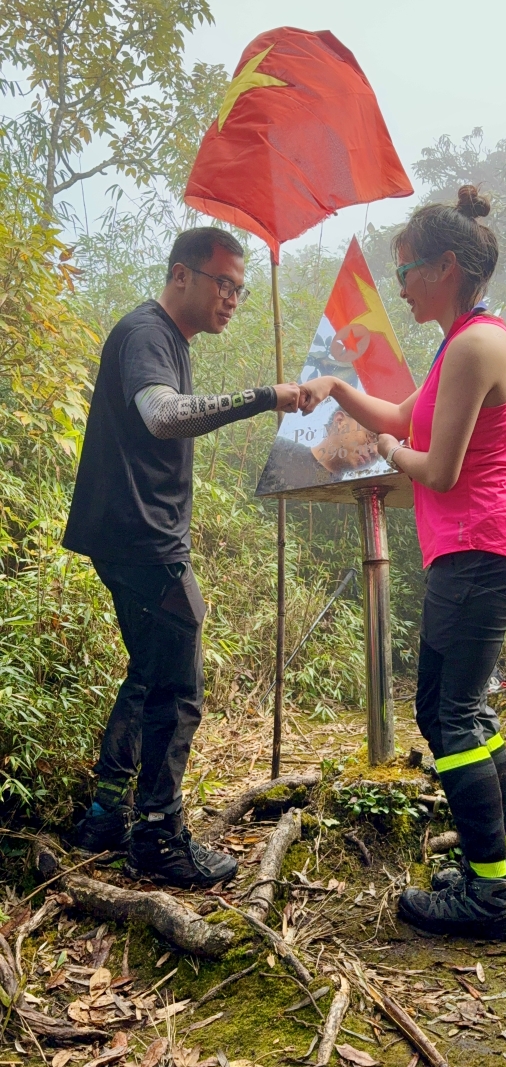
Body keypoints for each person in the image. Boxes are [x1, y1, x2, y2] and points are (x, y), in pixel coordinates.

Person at [299, 186, 506, 941]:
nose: (398, 283)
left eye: (405, 268)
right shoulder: (457, 344)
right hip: (469, 553)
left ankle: (489, 896)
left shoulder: (477, 343)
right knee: (448, 712)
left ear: (445, 266)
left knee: (453, 715)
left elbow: (432, 465)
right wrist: (341, 388)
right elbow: (405, 413)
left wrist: (386, 452)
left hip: (480, 549)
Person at [63, 227, 299, 888]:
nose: (232, 298)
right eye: (223, 282)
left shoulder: (169, 339)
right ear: (181, 276)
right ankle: (159, 837)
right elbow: (162, 415)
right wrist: (263, 396)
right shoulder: (148, 334)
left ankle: (108, 815)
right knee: (178, 687)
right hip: (142, 538)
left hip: (130, 534)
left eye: (240, 289)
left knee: (148, 674)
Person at [257, 404, 379, 493]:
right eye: (370, 436)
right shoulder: (278, 451)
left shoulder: (351, 496)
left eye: (382, 450)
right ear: (340, 421)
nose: (375, 450)